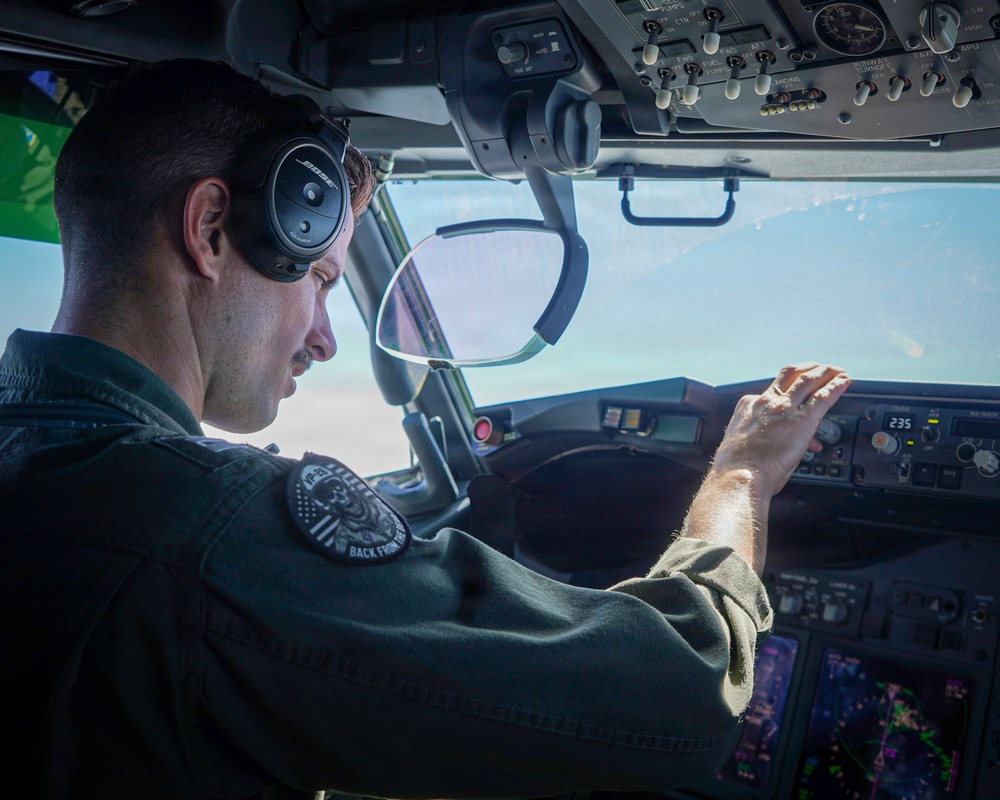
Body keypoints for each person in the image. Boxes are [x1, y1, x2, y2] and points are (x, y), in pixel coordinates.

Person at [0, 59, 850, 799]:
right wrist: (741, 476)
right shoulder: (203, 531)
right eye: (323, 281)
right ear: (213, 229)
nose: (325, 339)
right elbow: (686, 688)